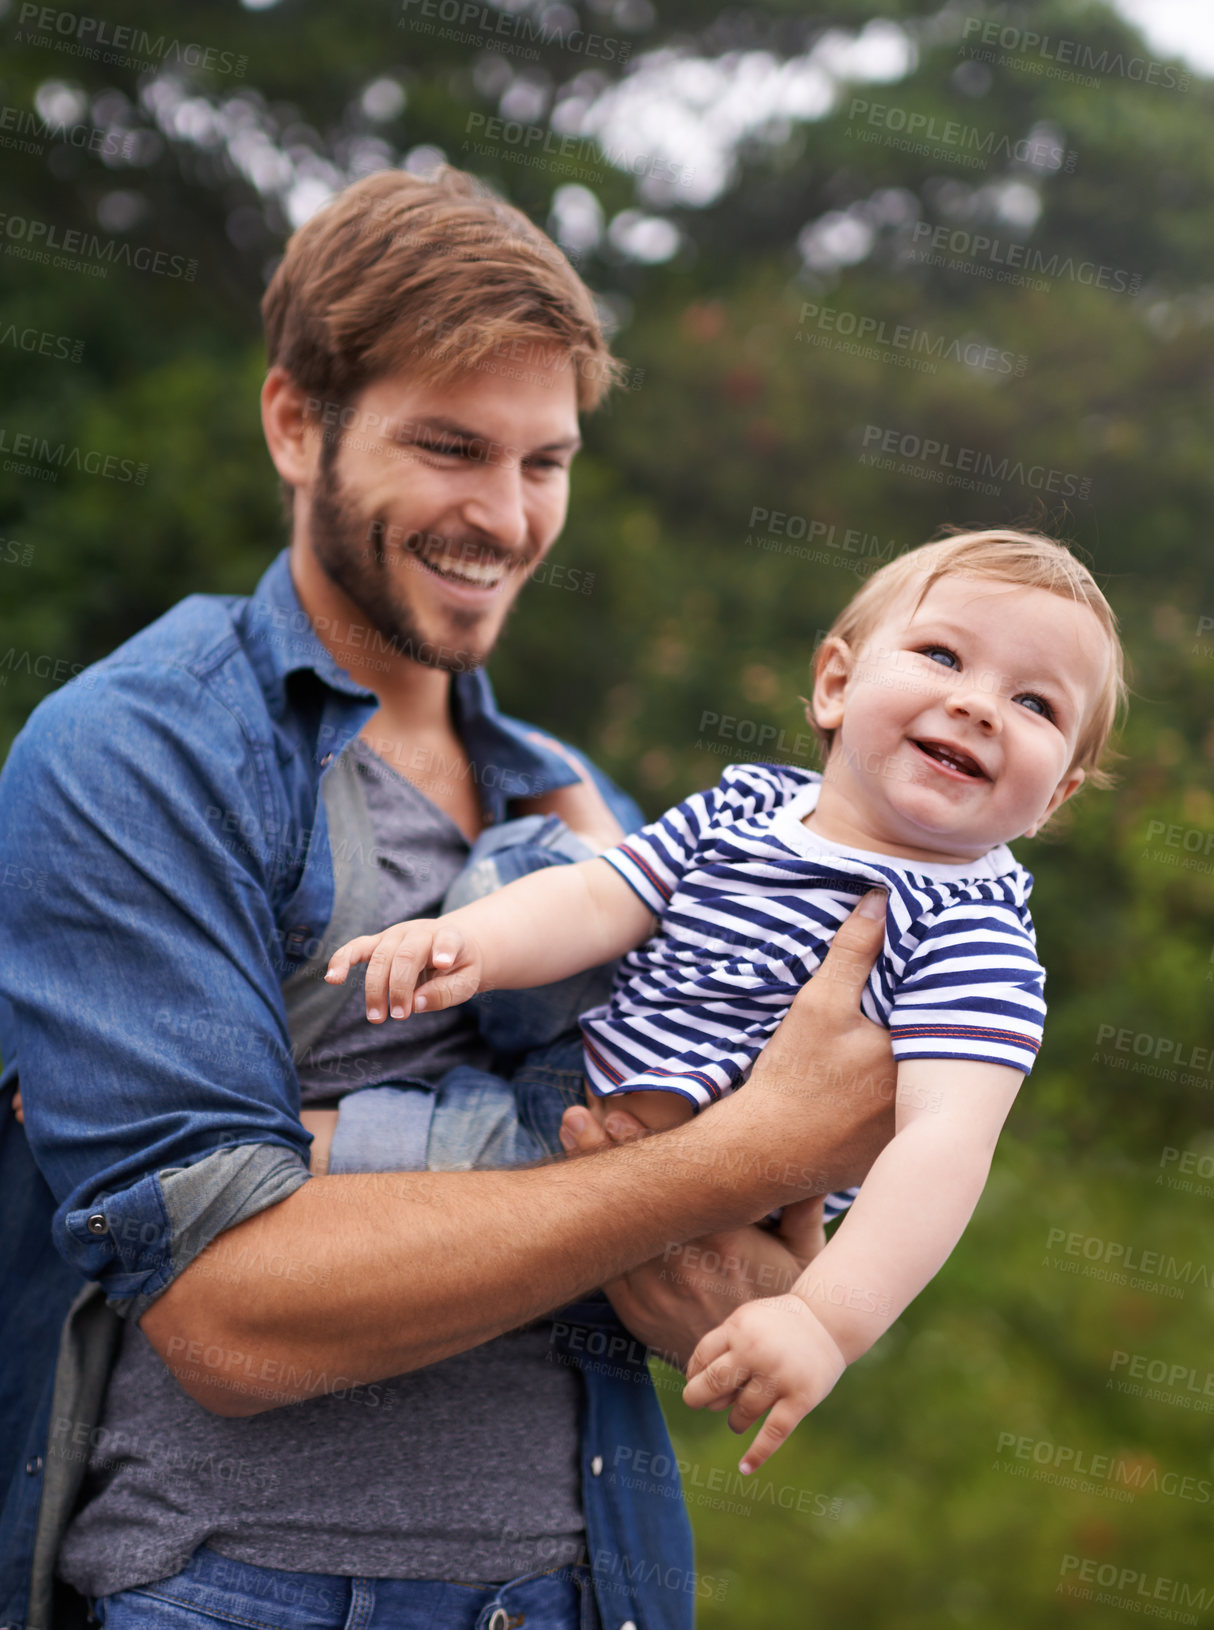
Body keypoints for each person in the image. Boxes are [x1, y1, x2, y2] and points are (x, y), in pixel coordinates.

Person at [0, 166, 897, 1630]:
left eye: (543, 462)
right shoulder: (138, 753)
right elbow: (231, 1311)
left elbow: (749, 1289)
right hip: (255, 1596)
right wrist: (722, 1155)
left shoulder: (573, 801)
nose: (503, 515)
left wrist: (351, 1154)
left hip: (592, 1587)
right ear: (296, 421)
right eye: (448, 448)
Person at [326, 528, 1126, 1476]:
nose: (976, 704)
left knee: (341, 1163)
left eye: (1034, 703)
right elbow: (600, 899)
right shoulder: (743, 809)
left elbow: (945, 1144)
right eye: (942, 655)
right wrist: (471, 947)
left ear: (1055, 797)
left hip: (665, 1196)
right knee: (528, 873)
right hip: (574, 1082)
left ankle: (222, 1184)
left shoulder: (969, 931)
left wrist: (823, 1322)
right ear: (835, 684)